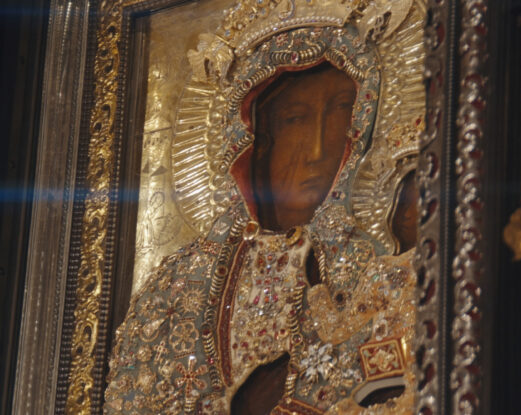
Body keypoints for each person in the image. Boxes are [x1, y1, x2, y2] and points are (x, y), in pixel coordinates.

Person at [105, 24, 417, 415]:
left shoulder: (381, 276)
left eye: (340, 111)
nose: (317, 149)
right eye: (295, 120)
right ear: (251, 142)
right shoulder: (176, 290)